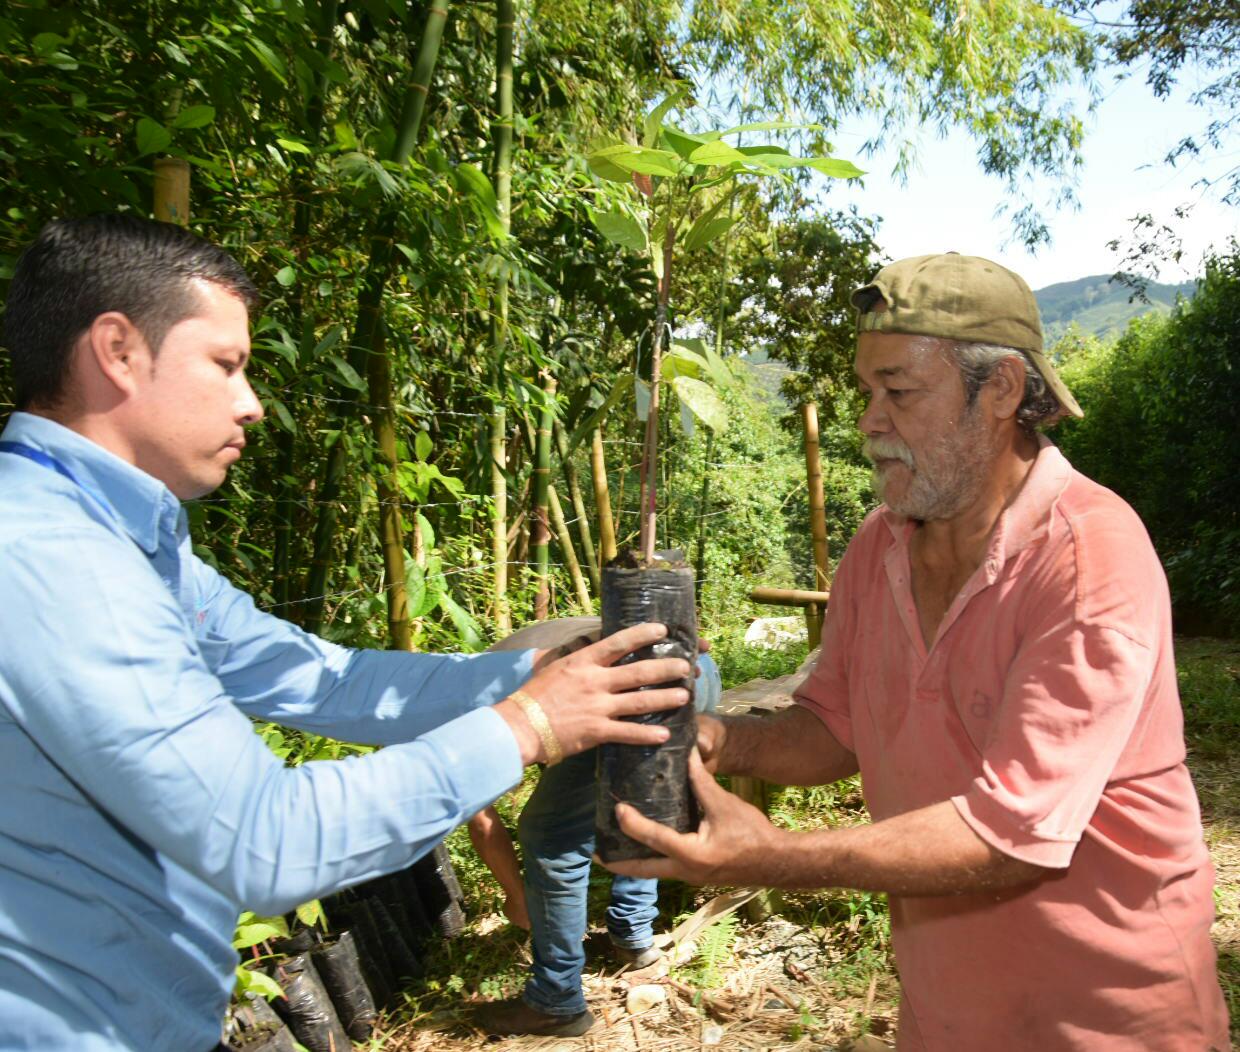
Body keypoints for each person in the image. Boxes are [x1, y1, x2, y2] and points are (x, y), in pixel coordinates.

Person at [0, 215, 693, 1052]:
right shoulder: (52, 558)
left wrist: (535, 674)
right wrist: (530, 726)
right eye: (226, 365)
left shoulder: (129, 543)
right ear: (117, 351)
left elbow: (322, 680)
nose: (251, 403)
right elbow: (262, 841)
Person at [606, 253, 1231, 1050]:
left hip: (1110, 1015)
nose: (869, 419)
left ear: (1001, 390)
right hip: (950, 1010)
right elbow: (835, 727)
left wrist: (773, 857)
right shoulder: (880, 546)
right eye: (867, 393)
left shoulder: (1087, 556)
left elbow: (1011, 833)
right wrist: (714, 741)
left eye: (898, 391)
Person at [472, 617, 722, 1038]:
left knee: (551, 835)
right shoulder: (479, 673)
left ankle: (556, 1002)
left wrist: (518, 898)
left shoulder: (449, 720)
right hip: (694, 670)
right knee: (634, 809)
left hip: (630, 686)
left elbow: (481, 819)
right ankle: (633, 937)